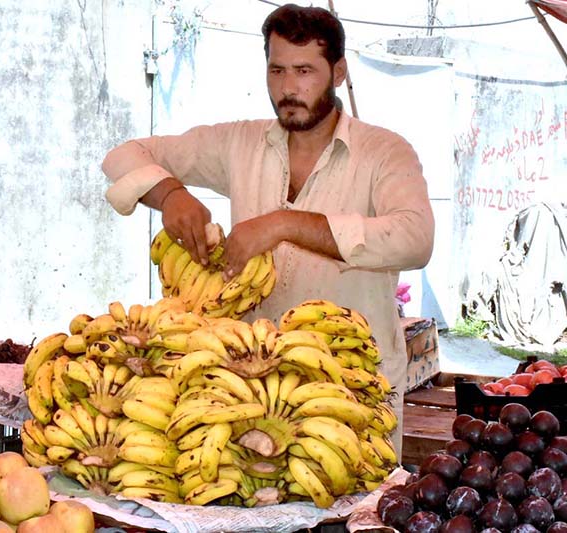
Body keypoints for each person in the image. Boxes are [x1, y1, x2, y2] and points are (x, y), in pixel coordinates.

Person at [101, 4, 434, 454]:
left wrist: (284, 224)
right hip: (247, 393)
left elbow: (415, 238)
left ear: (338, 72)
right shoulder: (241, 142)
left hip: (350, 393)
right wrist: (170, 194)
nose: (288, 88)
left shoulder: (385, 152)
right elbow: (126, 153)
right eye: (276, 70)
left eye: (304, 70)